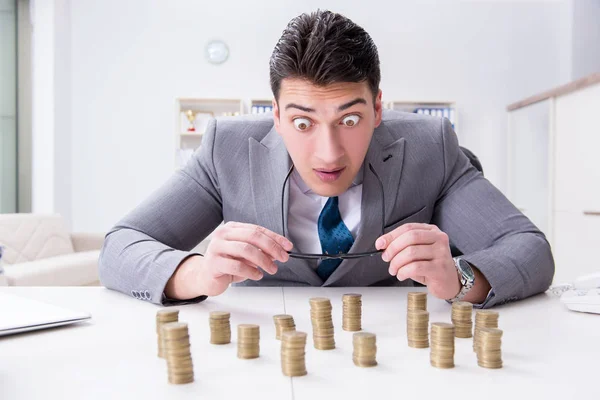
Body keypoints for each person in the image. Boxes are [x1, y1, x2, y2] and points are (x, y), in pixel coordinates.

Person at [98, 10, 554, 308]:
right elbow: (119, 247)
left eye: (350, 120)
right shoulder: (226, 149)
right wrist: (199, 272)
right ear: (275, 116)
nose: (329, 152)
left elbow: (530, 249)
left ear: (377, 109)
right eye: (302, 123)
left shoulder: (430, 145)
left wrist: (458, 275)